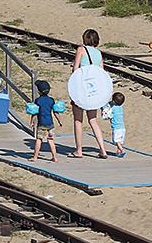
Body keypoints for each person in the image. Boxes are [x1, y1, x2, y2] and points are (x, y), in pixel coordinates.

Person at [70, 28, 110, 159]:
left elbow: (75, 69)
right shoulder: (99, 53)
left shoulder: (81, 50)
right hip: (93, 91)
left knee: (78, 120)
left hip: (81, 89)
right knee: (93, 120)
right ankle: (103, 150)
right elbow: (101, 73)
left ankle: (79, 150)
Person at [29, 80, 63, 162]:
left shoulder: (38, 101)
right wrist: (59, 121)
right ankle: (55, 157)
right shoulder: (51, 100)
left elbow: (34, 113)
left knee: (39, 140)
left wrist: (31, 122)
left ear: (39, 91)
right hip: (50, 124)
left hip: (41, 124)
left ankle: (35, 157)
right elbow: (55, 112)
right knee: (51, 140)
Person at [108, 92, 126, 157]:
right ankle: (119, 152)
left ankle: (122, 149)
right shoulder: (120, 107)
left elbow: (109, 115)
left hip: (116, 128)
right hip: (122, 128)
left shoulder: (113, 108)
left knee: (116, 141)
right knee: (120, 141)